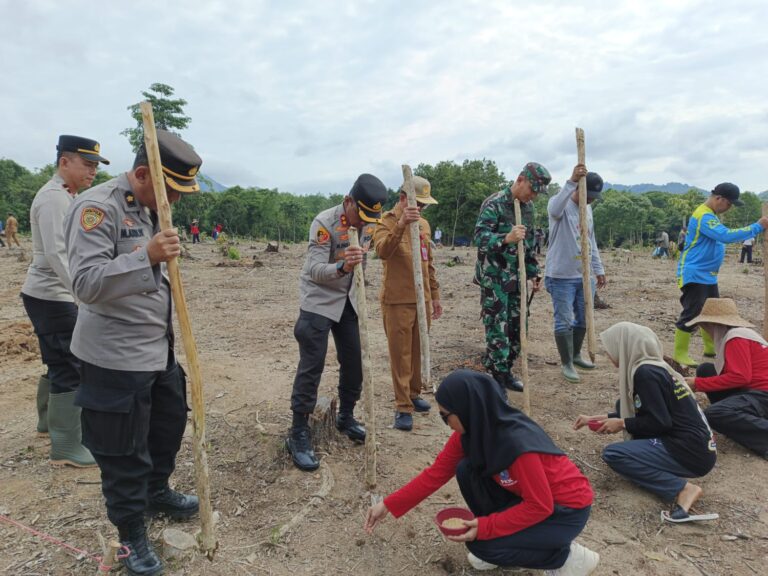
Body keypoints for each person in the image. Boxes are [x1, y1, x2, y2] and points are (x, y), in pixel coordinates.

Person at [64, 129, 202, 576]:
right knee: (124, 454)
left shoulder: (150, 207)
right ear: (143, 174)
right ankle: (130, 536)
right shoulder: (96, 208)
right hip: (113, 360)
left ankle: (157, 491)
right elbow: (85, 284)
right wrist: (146, 255)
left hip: (156, 352)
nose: (175, 202)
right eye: (172, 191)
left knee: (166, 429)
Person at [365, 370, 599, 574]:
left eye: (445, 416)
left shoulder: (517, 446)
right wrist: (388, 504)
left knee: (482, 546)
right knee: (466, 469)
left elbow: (540, 506)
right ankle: (509, 542)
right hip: (530, 499)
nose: (445, 423)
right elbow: (435, 473)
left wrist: (486, 527)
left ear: (468, 409)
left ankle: (566, 558)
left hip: (565, 512)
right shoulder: (472, 434)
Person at [286, 174, 388, 472]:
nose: (362, 224)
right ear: (348, 202)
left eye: (370, 218)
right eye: (360, 214)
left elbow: (364, 263)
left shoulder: (368, 223)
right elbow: (315, 270)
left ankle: (346, 416)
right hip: (318, 299)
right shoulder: (324, 223)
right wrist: (344, 266)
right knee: (312, 363)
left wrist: (357, 279)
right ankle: (299, 432)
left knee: (355, 360)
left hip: (348, 301)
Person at [21, 135, 109, 467]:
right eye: (87, 164)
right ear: (64, 162)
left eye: (96, 166)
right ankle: (67, 446)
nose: (93, 172)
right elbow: (60, 254)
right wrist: (84, 295)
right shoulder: (54, 199)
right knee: (68, 364)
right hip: (52, 295)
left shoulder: (67, 196)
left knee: (57, 358)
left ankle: (48, 423)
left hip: (50, 294)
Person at [575, 322, 717, 523]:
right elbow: (646, 410)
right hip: (698, 448)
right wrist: (598, 418)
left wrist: (623, 423)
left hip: (688, 450)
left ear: (625, 346)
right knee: (621, 408)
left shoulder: (645, 374)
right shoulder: (657, 368)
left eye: (610, 348)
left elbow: (659, 423)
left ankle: (683, 489)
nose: (608, 354)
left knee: (614, 454)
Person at [474, 162, 550, 393]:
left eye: (537, 192)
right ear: (520, 180)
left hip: (517, 277)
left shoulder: (528, 208)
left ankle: (506, 370)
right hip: (494, 277)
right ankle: (496, 376)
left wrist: (534, 271)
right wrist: (505, 238)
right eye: (532, 189)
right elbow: (480, 238)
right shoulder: (494, 203)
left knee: (518, 327)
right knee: (498, 328)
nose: (534, 196)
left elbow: (526, 246)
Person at [373, 176, 442, 431]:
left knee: (417, 351)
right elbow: (382, 251)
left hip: (421, 300)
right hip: (397, 301)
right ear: (404, 199)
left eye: (424, 206)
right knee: (400, 355)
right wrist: (401, 225)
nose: (421, 210)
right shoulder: (385, 222)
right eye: (418, 204)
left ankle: (413, 394)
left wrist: (434, 295)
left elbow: (428, 263)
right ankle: (402, 407)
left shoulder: (424, 225)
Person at [673, 183, 768, 367]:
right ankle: (680, 353)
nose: (730, 208)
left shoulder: (712, 215)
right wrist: (756, 227)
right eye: (729, 204)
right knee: (692, 312)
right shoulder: (704, 216)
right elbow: (725, 236)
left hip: (708, 275)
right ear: (719, 199)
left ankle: (711, 347)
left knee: (712, 312)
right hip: (694, 274)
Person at [684, 298, 768, 459]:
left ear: (713, 324)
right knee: (706, 369)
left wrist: (698, 384)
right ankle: (738, 421)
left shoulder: (736, 338)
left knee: (715, 414)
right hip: (756, 391)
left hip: (762, 395)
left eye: (704, 326)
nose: (704, 330)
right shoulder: (741, 335)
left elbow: (741, 377)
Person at [545, 165, 606, 383]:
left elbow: (591, 240)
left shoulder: (588, 210)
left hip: (583, 275)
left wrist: (598, 269)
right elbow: (553, 210)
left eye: (593, 197)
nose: (590, 200)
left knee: (583, 317)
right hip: (561, 276)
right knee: (564, 320)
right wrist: (571, 180)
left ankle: (576, 354)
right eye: (588, 195)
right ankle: (566, 362)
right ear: (578, 188)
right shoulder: (559, 205)